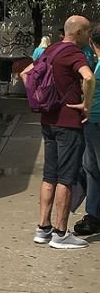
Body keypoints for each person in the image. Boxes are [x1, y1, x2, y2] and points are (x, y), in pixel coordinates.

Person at [20, 15, 95, 249]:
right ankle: (61, 234)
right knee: (67, 177)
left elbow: (25, 74)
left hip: (48, 121)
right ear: (79, 33)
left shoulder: (50, 50)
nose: (89, 35)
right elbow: (89, 77)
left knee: (49, 176)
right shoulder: (74, 53)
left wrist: (41, 99)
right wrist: (87, 105)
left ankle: (43, 228)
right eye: (87, 31)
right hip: (68, 123)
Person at [74, 24, 100, 236]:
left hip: (96, 123)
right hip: (93, 123)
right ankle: (93, 214)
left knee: (93, 168)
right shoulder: (97, 63)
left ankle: (94, 215)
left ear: (92, 42)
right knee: (91, 168)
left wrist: (85, 104)